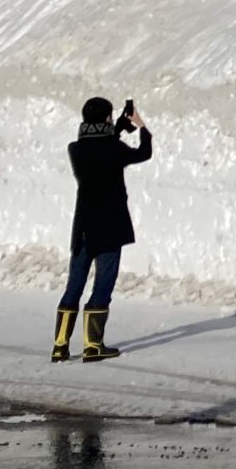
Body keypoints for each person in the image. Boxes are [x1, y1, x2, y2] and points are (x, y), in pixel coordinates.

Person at [51, 95, 153, 362]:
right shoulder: (114, 149)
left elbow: (99, 145)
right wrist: (141, 126)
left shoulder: (76, 149)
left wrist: (117, 127)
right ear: (107, 118)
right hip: (109, 226)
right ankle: (93, 345)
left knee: (74, 285)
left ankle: (60, 345)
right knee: (103, 284)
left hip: (83, 227)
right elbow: (143, 153)